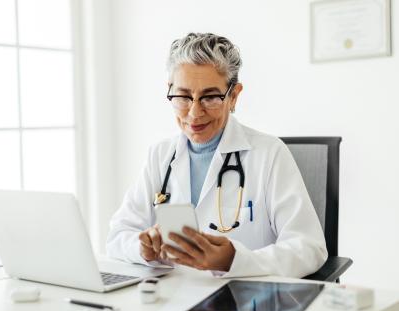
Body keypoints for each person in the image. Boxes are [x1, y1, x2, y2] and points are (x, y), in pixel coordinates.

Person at [106, 32, 327, 278]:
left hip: (244, 300)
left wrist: (234, 260)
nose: (194, 112)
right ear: (170, 91)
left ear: (233, 96)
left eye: (210, 97)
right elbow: (118, 236)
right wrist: (143, 248)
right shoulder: (160, 155)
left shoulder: (269, 154)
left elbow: (309, 247)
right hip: (172, 298)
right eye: (183, 96)